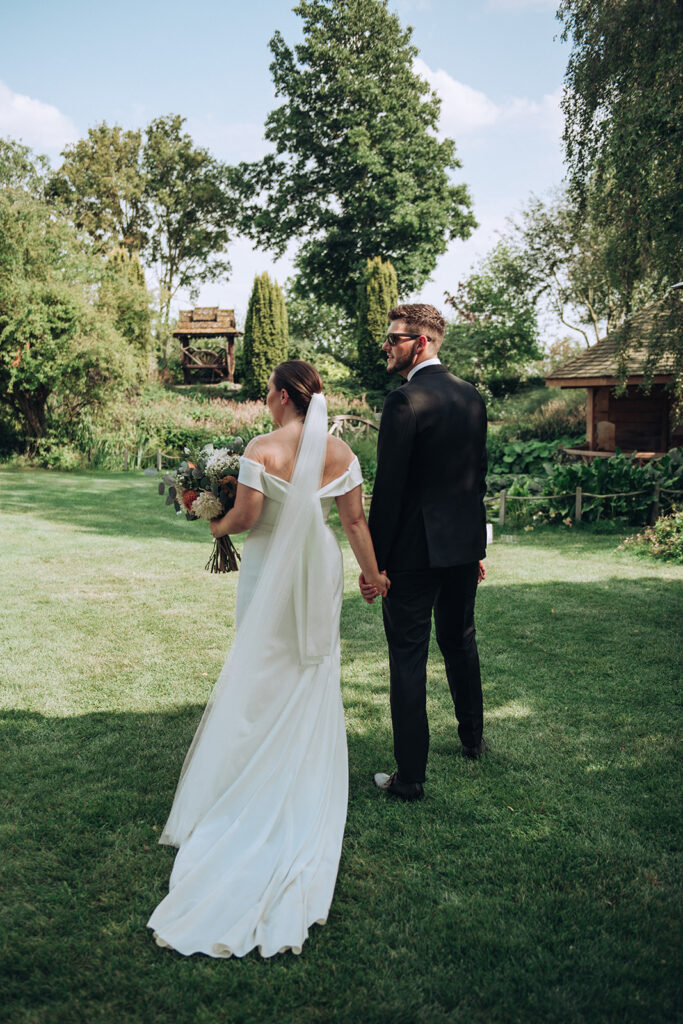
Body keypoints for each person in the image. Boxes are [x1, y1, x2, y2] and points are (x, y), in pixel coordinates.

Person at [148, 360, 389, 958]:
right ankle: (299, 774)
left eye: (268, 391)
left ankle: (248, 770)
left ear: (283, 396)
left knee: (260, 667)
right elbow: (354, 519)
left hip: (268, 568)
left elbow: (250, 516)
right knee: (312, 666)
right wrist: (372, 573)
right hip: (321, 568)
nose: (265, 398)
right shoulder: (341, 451)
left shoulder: (262, 445)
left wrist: (214, 523)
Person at [359, 304, 488, 801]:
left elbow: (388, 492)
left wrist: (375, 564)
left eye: (394, 339)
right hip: (461, 549)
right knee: (460, 641)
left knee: (408, 657)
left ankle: (410, 777)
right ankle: (473, 741)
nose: (387, 346)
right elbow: (476, 480)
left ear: (423, 342)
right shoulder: (472, 397)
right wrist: (475, 544)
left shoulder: (403, 401)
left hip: (412, 555)